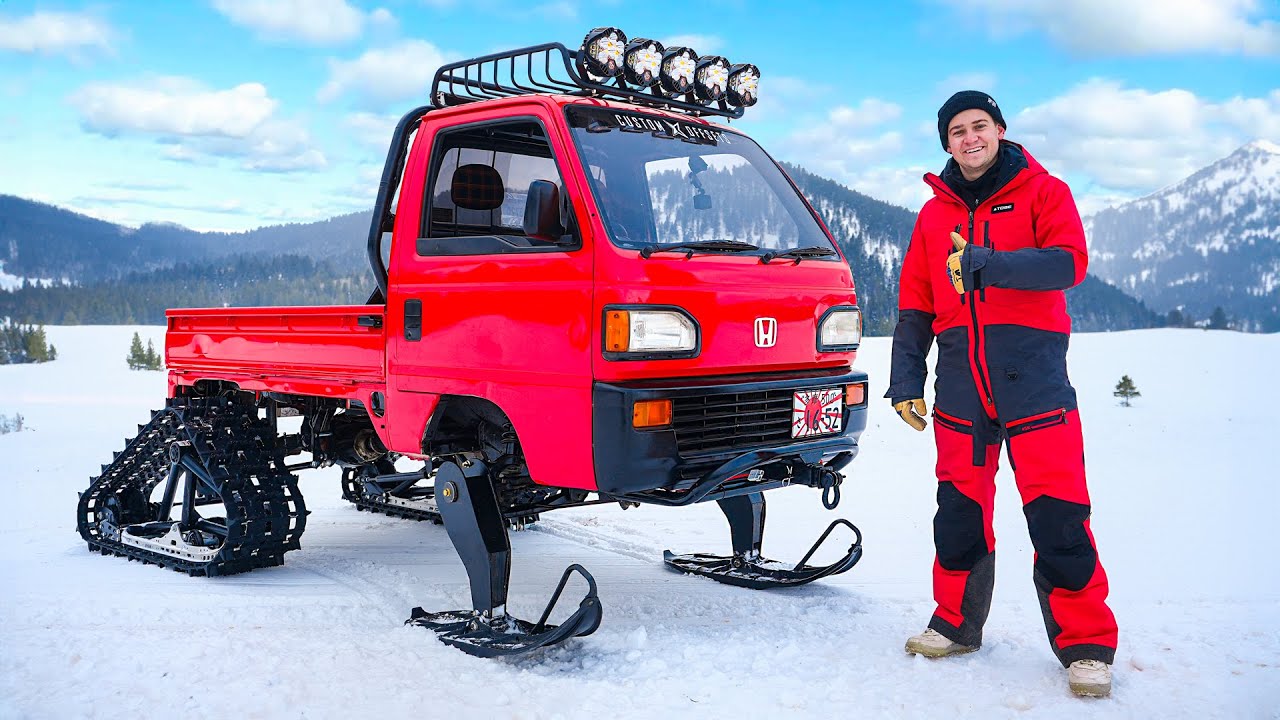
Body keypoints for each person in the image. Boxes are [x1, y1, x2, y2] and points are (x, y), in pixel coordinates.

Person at [885, 90, 1119, 698]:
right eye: (957, 131)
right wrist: (905, 379)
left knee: (1059, 514)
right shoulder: (933, 216)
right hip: (963, 389)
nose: (969, 138)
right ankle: (956, 624)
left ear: (1000, 130)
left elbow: (1068, 264)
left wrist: (993, 263)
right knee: (958, 514)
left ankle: (1086, 646)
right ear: (946, 143)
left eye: (979, 126)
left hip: (1035, 383)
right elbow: (914, 304)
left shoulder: (1045, 191)